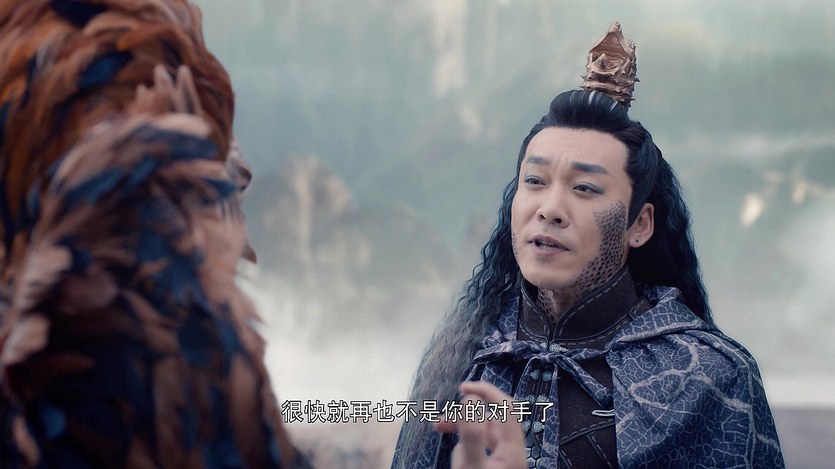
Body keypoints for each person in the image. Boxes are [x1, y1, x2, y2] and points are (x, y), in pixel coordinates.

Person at [392, 23, 785, 468]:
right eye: (534, 181)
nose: (550, 209)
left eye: (584, 188)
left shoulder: (707, 377)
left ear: (639, 224)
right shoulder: (469, 354)